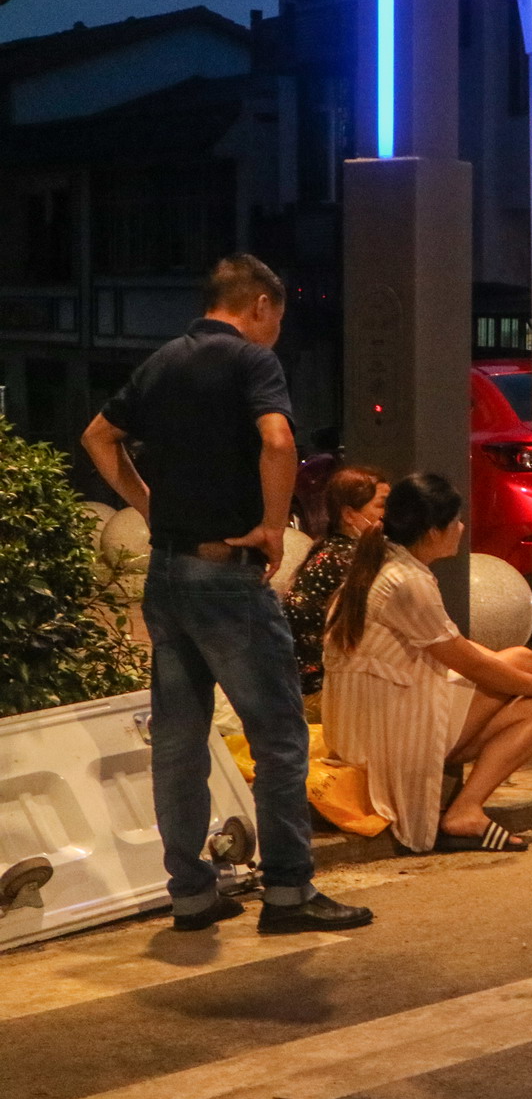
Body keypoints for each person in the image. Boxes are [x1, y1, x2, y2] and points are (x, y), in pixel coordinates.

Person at [79, 253, 372, 934]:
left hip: (168, 573)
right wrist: (273, 527)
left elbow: (97, 436)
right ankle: (290, 894)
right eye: (278, 318)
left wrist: (148, 505)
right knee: (279, 735)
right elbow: (278, 441)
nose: (275, 331)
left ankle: (191, 892)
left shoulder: (162, 362)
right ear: (261, 305)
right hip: (226, 577)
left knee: (179, 739)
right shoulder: (251, 362)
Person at [322, 473, 532, 854]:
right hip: (386, 736)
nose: (461, 527)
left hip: (369, 720)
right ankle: (469, 810)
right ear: (433, 531)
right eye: (455, 520)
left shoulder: (384, 560)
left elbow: (453, 644)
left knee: (523, 659)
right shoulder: (407, 581)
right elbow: (467, 661)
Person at [283, 464, 387, 715]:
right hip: (320, 695)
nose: (391, 515)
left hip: (305, 690)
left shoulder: (331, 550)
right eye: (382, 505)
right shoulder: (346, 561)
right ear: (350, 515)